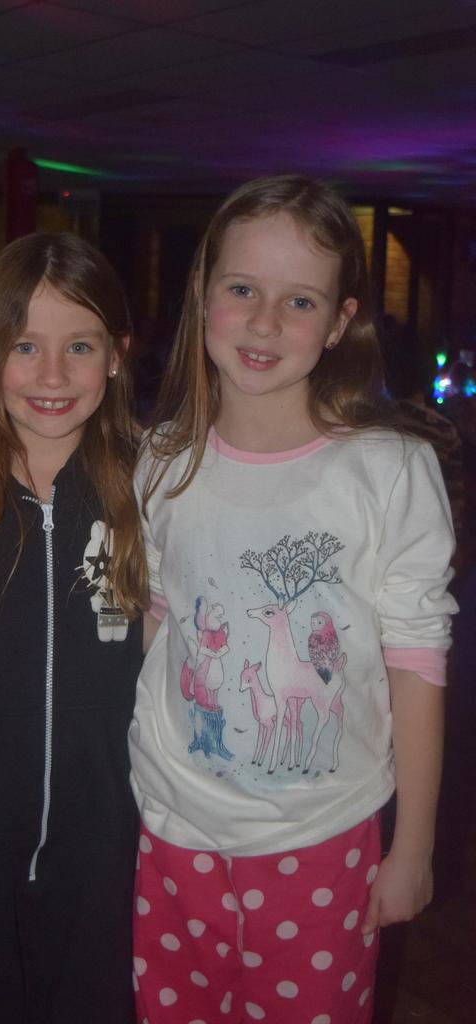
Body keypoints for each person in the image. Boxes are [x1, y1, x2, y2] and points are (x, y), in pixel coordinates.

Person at [131, 175, 457, 1024]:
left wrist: (413, 845)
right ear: (204, 294)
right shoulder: (162, 460)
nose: (266, 321)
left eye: (299, 299)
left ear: (342, 319)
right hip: (172, 829)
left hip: (319, 840)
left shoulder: (386, 470)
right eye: (242, 289)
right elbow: (157, 627)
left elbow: (417, 662)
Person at [0, 232, 147, 1024]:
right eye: (24, 346)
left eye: (79, 346)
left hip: (106, 836)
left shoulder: (153, 491)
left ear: (116, 355)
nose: (52, 376)